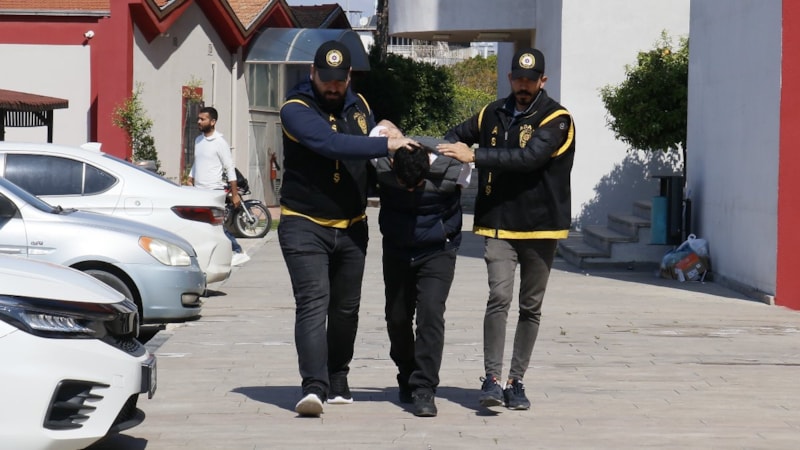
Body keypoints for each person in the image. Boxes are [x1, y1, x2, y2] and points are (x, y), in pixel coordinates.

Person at [278, 39, 417, 417]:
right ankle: (313, 386)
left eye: (339, 80)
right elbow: (331, 144)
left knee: (345, 309)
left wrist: (386, 128)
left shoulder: (360, 105)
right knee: (313, 302)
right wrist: (387, 146)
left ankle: (337, 375)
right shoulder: (295, 109)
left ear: (349, 76)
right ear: (312, 73)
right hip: (304, 224)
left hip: (353, 225)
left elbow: (370, 137)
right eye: (326, 79)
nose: (333, 86)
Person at [438, 47, 576, 411]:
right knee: (498, 297)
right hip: (499, 222)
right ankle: (492, 379)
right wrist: (451, 158)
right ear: (510, 78)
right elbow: (455, 135)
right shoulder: (492, 112)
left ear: (542, 81)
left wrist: (476, 155)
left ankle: (517, 381)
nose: (524, 86)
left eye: (531, 80)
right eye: (519, 79)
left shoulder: (557, 118)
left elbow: (530, 159)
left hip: (540, 227)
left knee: (530, 306)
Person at [373, 138, 471, 418]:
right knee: (397, 317)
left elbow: (469, 159)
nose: (409, 190)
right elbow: (377, 128)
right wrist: (391, 134)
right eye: (403, 184)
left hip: (438, 251)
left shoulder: (453, 170)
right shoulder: (382, 164)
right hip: (397, 250)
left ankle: (425, 387)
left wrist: (463, 152)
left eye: (416, 185)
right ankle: (406, 372)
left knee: (430, 314)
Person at [188, 106, 250, 267]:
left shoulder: (220, 142)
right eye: (198, 118)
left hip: (214, 191)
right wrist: (190, 177)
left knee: (216, 226)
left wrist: (235, 194)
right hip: (199, 191)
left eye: (203, 119)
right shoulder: (198, 140)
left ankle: (237, 251)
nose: (199, 121)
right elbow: (197, 161)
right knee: (202, 226)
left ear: (213, 122)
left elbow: (229, 168)